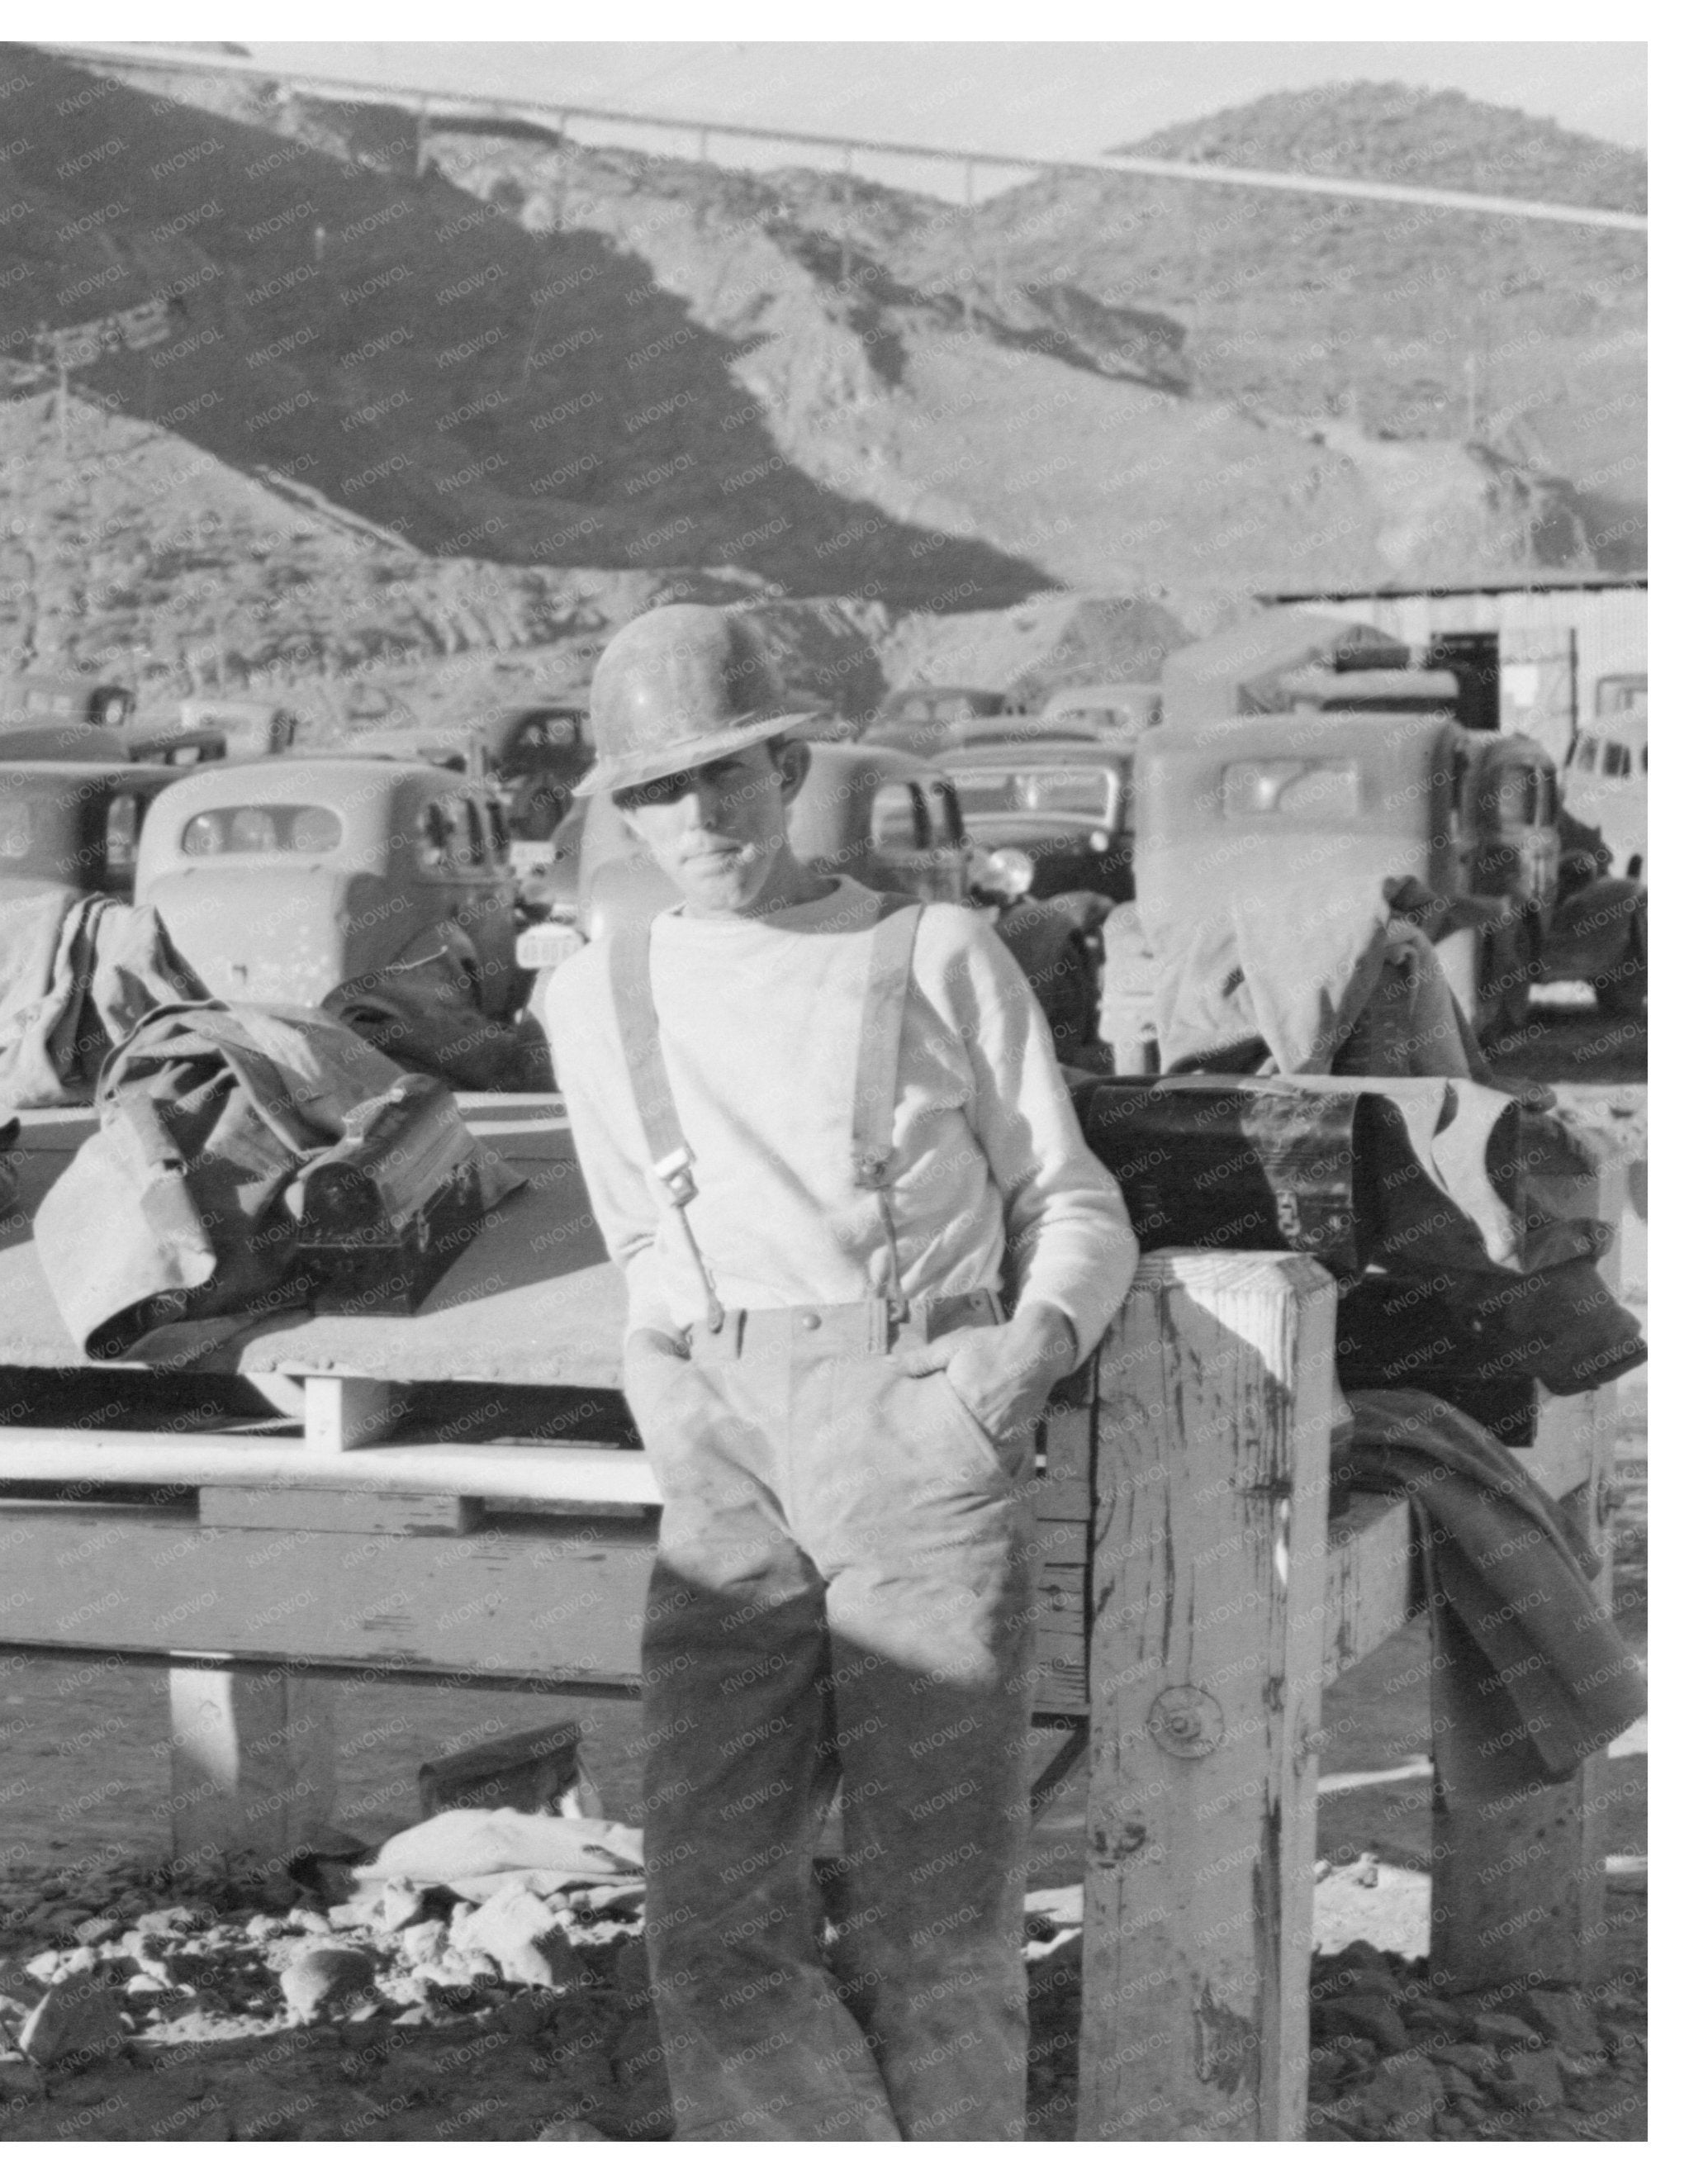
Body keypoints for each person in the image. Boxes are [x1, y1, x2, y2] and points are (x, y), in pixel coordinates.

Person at [536, 606, 1139, 2140]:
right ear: (624, 808)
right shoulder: (592, 993)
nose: (699, 820)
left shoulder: (932, 949)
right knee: (710, 1910)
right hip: (722, 1458)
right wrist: (667, 1382)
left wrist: (1017, 1362)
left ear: (789, 765)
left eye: (727, 777)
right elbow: (630, 1235)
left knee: (934, 1917)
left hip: (918, 1436)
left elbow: (1070, 1199)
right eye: (660, 792)